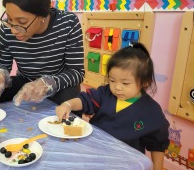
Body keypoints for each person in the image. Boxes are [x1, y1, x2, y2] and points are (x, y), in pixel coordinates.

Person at [56, 42, 169, 170]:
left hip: (125, 163)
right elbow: (85, 100)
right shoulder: (105, 93)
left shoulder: (152, 111)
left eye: (125, 83)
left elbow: (157, 145)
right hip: (93, 154)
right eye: (112, 80)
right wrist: (68, 104)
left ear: (145, 82)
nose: (117, 88)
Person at [0, 0, 85, 106]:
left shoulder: (68, 23)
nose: (13, 29)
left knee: (71, 104)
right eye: (10, 19)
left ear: (43, 14)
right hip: (25, 81)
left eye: (21, 22)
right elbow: (1, 63)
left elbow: (76, 72)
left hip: (59, 85)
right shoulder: (7, 28)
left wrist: (48, 83)